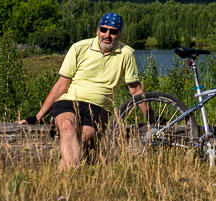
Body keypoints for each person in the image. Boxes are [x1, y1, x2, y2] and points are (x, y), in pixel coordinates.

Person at [18, 12, 147, 170]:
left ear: (120, 34)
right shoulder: (79, 47)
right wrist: (38, 116)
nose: (107, 35)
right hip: (68, 102)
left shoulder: (127, 53)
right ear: (97, 30)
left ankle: (63, 184)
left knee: (84, 139)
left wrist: (153, 118)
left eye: (113, 31)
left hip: (99, 108)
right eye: (103, 29)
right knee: (67, 126)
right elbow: (61, 84)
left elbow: (135, 90)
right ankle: (73, 175)